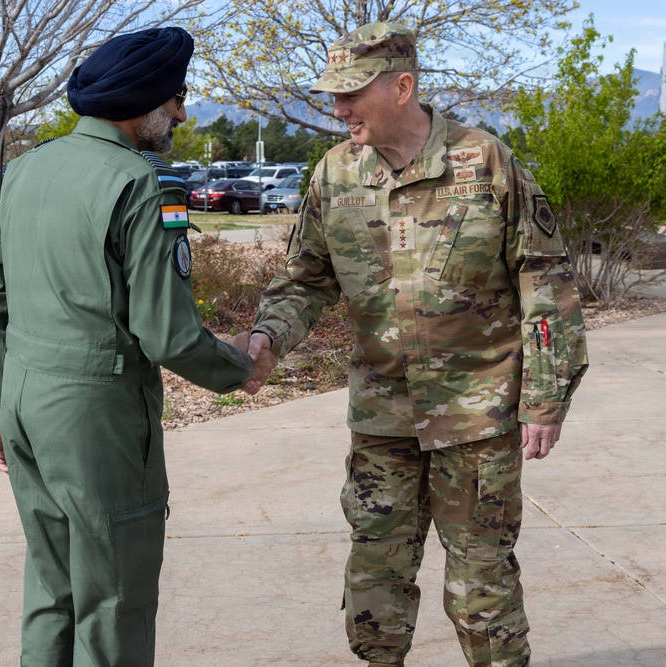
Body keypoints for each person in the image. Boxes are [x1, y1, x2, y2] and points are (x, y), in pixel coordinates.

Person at [243, 22, 590, 667]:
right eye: (333, 95)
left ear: (402, 87)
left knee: (482, 582)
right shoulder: (335, 174)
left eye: (351, 95)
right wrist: (266, 340)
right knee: (375, 576)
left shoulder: (484, 161)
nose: (337, 109)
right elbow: (305, 281)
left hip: (477, 414)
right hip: (383, 416)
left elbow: (546, 280)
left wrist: (546, 398)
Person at [0, 26, 275, 666]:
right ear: (144, 101)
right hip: (98, 420)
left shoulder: (27, 169)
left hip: (26, 405)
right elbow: (165, 333)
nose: (181, 114)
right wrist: (240, 366)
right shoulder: (137, 182)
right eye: (174, 100)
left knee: (51, 587)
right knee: (115, 596)